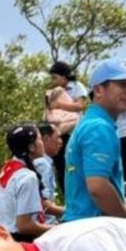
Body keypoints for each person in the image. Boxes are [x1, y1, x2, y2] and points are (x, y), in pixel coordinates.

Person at [63, 59, 126, 222]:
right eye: (122, 85)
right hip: (94, 228)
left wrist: (124, 186)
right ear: (98, 90)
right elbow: (97, 188)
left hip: (82, 224)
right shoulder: (99, 128)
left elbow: (88, 184)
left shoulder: (88, 123)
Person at [0, 124, 53, 241]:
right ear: (31, 147)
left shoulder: (8, 168)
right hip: (18, 240)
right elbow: (24, 225)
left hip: (2, 235)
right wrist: (55, 229)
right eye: (39, 139)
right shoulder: (27, 177)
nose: (42, 143)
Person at [46, 61, 90, 195]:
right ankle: (67, 196)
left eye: (55, 77)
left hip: (74, 131)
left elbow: (80, 106)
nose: (54, 81)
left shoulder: (77, 87)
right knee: (60, 165)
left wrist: (59, 105)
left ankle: (80, 193)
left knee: (74, 164)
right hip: (59, 131)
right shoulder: (55, 91)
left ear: (64, 76)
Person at [35, 123, 65, 223]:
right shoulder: (42, 164)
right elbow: (43, 203)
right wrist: (71, 212)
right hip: (45, 225)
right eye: (58, 137)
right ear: (46, 139)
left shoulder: (44, 162)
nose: (61, 142)